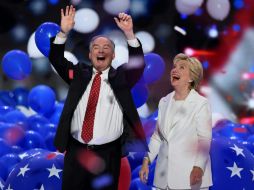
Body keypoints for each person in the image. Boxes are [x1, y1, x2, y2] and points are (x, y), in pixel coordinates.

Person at [48, 5, 148, 190]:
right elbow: (56, 59)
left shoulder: (121, 78)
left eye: (106, 47)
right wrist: (63, 32)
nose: (101, 50)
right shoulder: (78, 74)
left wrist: (129, 34)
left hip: (107, 156)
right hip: (76, 152)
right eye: (96, 47)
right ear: (90, 54)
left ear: (113, 54)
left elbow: (138, 65)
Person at [139, 53, 213, 190]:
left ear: (191, 78)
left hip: (190, 178)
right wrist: (146, 161)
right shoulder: (164, 101)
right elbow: (157, 137)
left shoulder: (201, 104)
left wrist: (198, 167)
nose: (175, 70)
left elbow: (205, 139)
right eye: (175, 67)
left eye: (182, 67)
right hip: (163, 178)